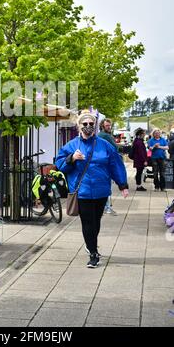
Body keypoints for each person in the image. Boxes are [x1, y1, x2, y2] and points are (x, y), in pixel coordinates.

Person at [55, 110, 129, 268]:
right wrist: (72, 158)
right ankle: (93, 253)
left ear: (95, 126)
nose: (88, 127)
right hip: (82, 191)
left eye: (91, 124)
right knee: (88, 223)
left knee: (96, 222)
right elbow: (60, 164)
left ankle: (90, 244)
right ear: (78, 126)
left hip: (101, 190)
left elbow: (115, 164)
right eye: (85, 124)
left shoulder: (105, 146)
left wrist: (122, 185)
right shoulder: (71, 145)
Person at [98, 118, 118, 214]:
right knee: (107, 185)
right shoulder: (105, 136)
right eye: (107, 125)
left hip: (102, 163)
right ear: (102, 126)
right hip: (107, 164)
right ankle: (107, 207)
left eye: (110, 125)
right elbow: (115, 148)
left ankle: (105, 206)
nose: (109, 127)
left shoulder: (100, 135)